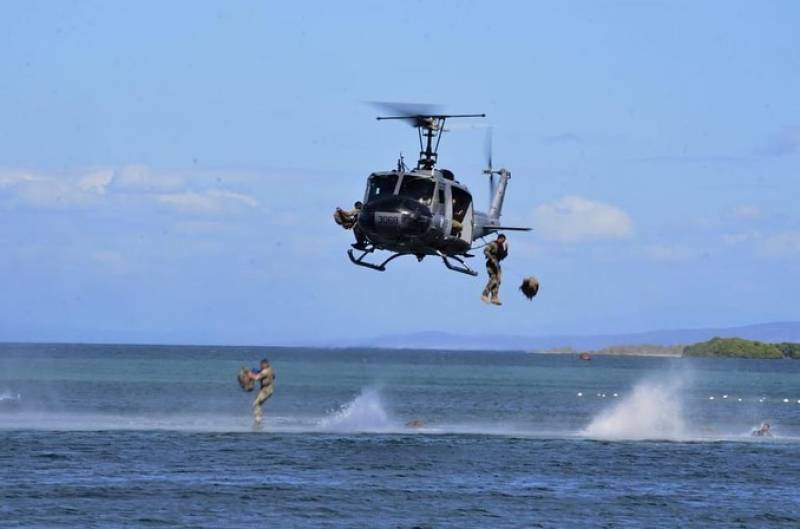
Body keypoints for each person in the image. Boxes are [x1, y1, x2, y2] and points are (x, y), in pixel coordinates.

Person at [481, 234, 507, 305]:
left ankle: (494, 297)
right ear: (499, 238)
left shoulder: (501, 246)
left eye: (503, 240)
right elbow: (485, 251)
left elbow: (502, 256)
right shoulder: (493, 243)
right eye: (502, 239)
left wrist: (506, 249)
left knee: (498, 281)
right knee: (493, 279)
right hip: (491, 263)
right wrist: (491, 257)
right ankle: (484, 294)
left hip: (497, 264)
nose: (502, 241)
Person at [248, 359, 275, 427]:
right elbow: (273, 376)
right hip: (268, 389)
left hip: (266, 390)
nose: (260, 366)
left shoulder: (265, 371)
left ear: (264, 364)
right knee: (258, 404)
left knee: (256, 404)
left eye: (261, 365)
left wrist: (250, 375)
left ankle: (258, 420)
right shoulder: (270, 369)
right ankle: (258, 419)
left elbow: (256, 378)